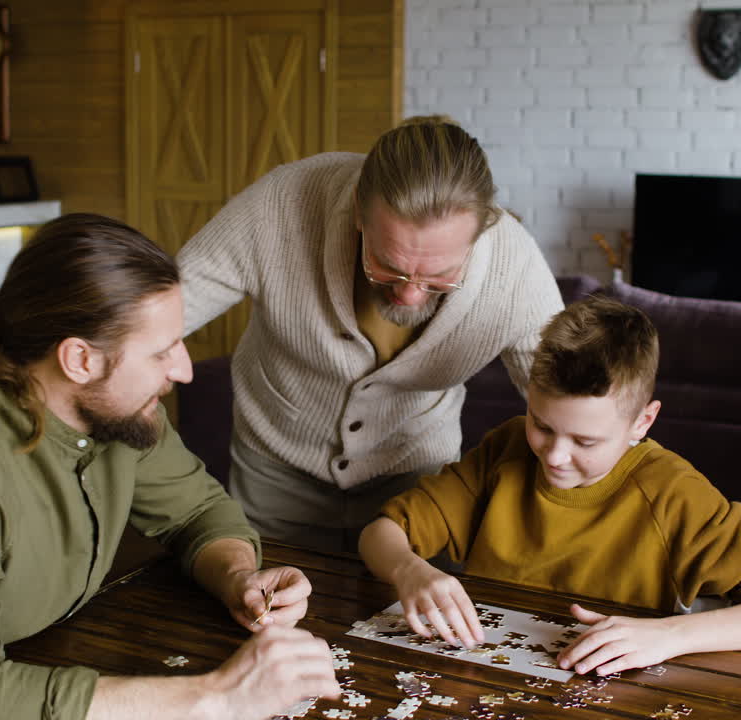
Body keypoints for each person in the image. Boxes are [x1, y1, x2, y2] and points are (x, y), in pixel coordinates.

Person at [0, 214, 341, 720]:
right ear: (80, 359)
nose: (185, 370)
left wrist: (238, 575)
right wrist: (218, 696)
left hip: (31, 668)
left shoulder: (116, 407)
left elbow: (198, 510)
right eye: (162, 351)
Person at [358, 296, 741, 676]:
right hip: (485, 678)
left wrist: (671, 636)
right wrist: (409, 571)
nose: (555, 455)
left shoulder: (672, 493)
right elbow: (380, 533)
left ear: (642, 422)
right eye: (542, 425)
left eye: (585, 440)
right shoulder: (507, 448)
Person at [177, 115, 564, 552]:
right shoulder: (279, 205)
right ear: (360, 208)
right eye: (389, 265)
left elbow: (572, 403)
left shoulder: (516, 267)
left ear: (482, 230)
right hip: (275, 470)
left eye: (439, 277)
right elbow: (161, 312)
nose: (411, 296)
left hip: (418, 479)